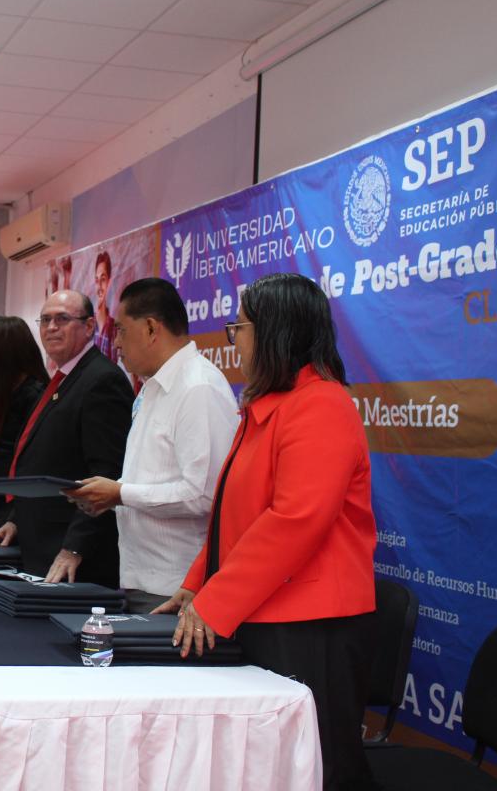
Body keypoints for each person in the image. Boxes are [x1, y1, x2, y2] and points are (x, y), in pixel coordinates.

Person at [156, 273, 378, 791]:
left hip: (312, 625)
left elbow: (295, 521)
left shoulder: (322, 405)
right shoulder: (269, 404)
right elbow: (235, 513)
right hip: (267, 610)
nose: (235, 340)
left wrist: (216, 600)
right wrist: (199, 581)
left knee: (319, 767)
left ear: (275, 331)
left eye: (241, 327)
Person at [65, 279, 238, 612]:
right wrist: (106, 497)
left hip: (177, 587)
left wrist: (120, 493)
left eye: (121, 330)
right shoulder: (151, 387)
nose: (116, 342)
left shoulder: (198, 388)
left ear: (150, 328)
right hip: (141, 578)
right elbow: (152, 478)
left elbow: (203, 495)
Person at [0, 291, 134, 586]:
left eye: (62, 319)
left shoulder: (102, 380)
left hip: (74, 557)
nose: (51, 327)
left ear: (89, 326)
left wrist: (75, 547)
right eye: (45, 320)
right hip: (41, 544)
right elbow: (46, 461)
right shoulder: (63, 378)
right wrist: (16, 519)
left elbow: (106, 473)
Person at [0, 317, 48, 533]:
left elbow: (31, 465)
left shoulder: (35, 396)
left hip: (22, 510)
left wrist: (13, 517)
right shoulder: (9, 393)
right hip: (5, 502)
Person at [91, 252, 119, 363]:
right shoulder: (88, 326)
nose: (99, 286)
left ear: (109, 282)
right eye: (96, 280)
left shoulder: (114, 328)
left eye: (103, 279)